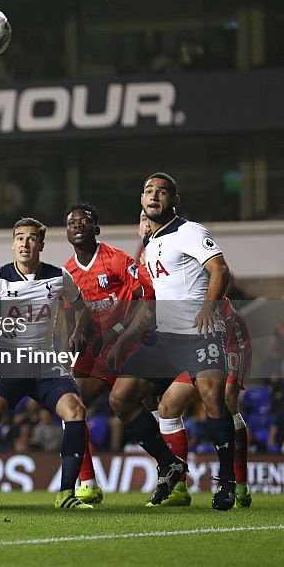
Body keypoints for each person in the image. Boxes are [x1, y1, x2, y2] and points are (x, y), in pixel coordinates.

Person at [0, 217, 93, 510]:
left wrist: (78, 330)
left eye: (32, 238)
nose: (25, 243)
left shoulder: (59, 276)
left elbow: (82, 308)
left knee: (75, 411)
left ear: (41, 244)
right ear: (13, 244)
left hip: (44, 361)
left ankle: (66, 494)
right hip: (8, 361)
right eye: (20, 238)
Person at [107, 172, 237, 510]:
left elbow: (221, 271)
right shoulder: (150, 242)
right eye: (148, 190)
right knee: (121, 399)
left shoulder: (190, 231)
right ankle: (169, 462)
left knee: (213, 401)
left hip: (199, 333)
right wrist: (124, 340)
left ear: (174, 200)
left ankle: (227, 481)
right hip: (165, 337)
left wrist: (209, 308)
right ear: (141, 200)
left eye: (162, 191)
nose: (154, 195)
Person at [131, 210, 253, 508]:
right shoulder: (149, 255)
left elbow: (220, 272)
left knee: (225, 402)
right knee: (168, 407)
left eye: (149, 218)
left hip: (223, 333)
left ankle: (238, 483)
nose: (146, 224)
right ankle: (179, 487)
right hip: (184, 339)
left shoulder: (182, 238)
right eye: (142, 219)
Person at [62, 202, 146, 505]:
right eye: (72, 223)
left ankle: (171, 471)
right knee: (70, 403)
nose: (78, 226)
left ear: (96, 228)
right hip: (97, 353)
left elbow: (144, 300)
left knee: (156, 408)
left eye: (84, 221)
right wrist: (76, 334)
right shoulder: (68, 273)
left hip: (132, 344)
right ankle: (88, 482)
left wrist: (122, 329)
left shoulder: (117, 260)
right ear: (67, 232)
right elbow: (73, 315)